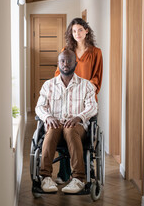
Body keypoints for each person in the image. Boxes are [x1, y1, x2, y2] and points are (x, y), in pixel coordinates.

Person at [35, 49, 98, 194]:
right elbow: (40, 107)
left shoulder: (86, 85)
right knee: (51, 129)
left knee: (70, 129)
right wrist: (47, 117)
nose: (65, 64)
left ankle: (78, 179)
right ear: (58, 63)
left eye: (69, 61)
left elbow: (93, 107)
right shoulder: (48, 85)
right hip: (55, 124)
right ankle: (45, 177)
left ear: (75, 63)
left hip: (77, 127)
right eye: (62, 61)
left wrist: (79, 117)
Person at [54, 18, 103, 184]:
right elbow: (57, 74)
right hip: (67, 100)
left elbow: (97, 78)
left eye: (80, 30)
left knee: (85, 138)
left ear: (86, 31)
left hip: (86, 101)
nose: (77, 34)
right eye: (74, 31)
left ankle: (86, 169)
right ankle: (63, 172)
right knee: (64, 130)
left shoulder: (96, 52)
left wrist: (84, 89)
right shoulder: (66, 51)